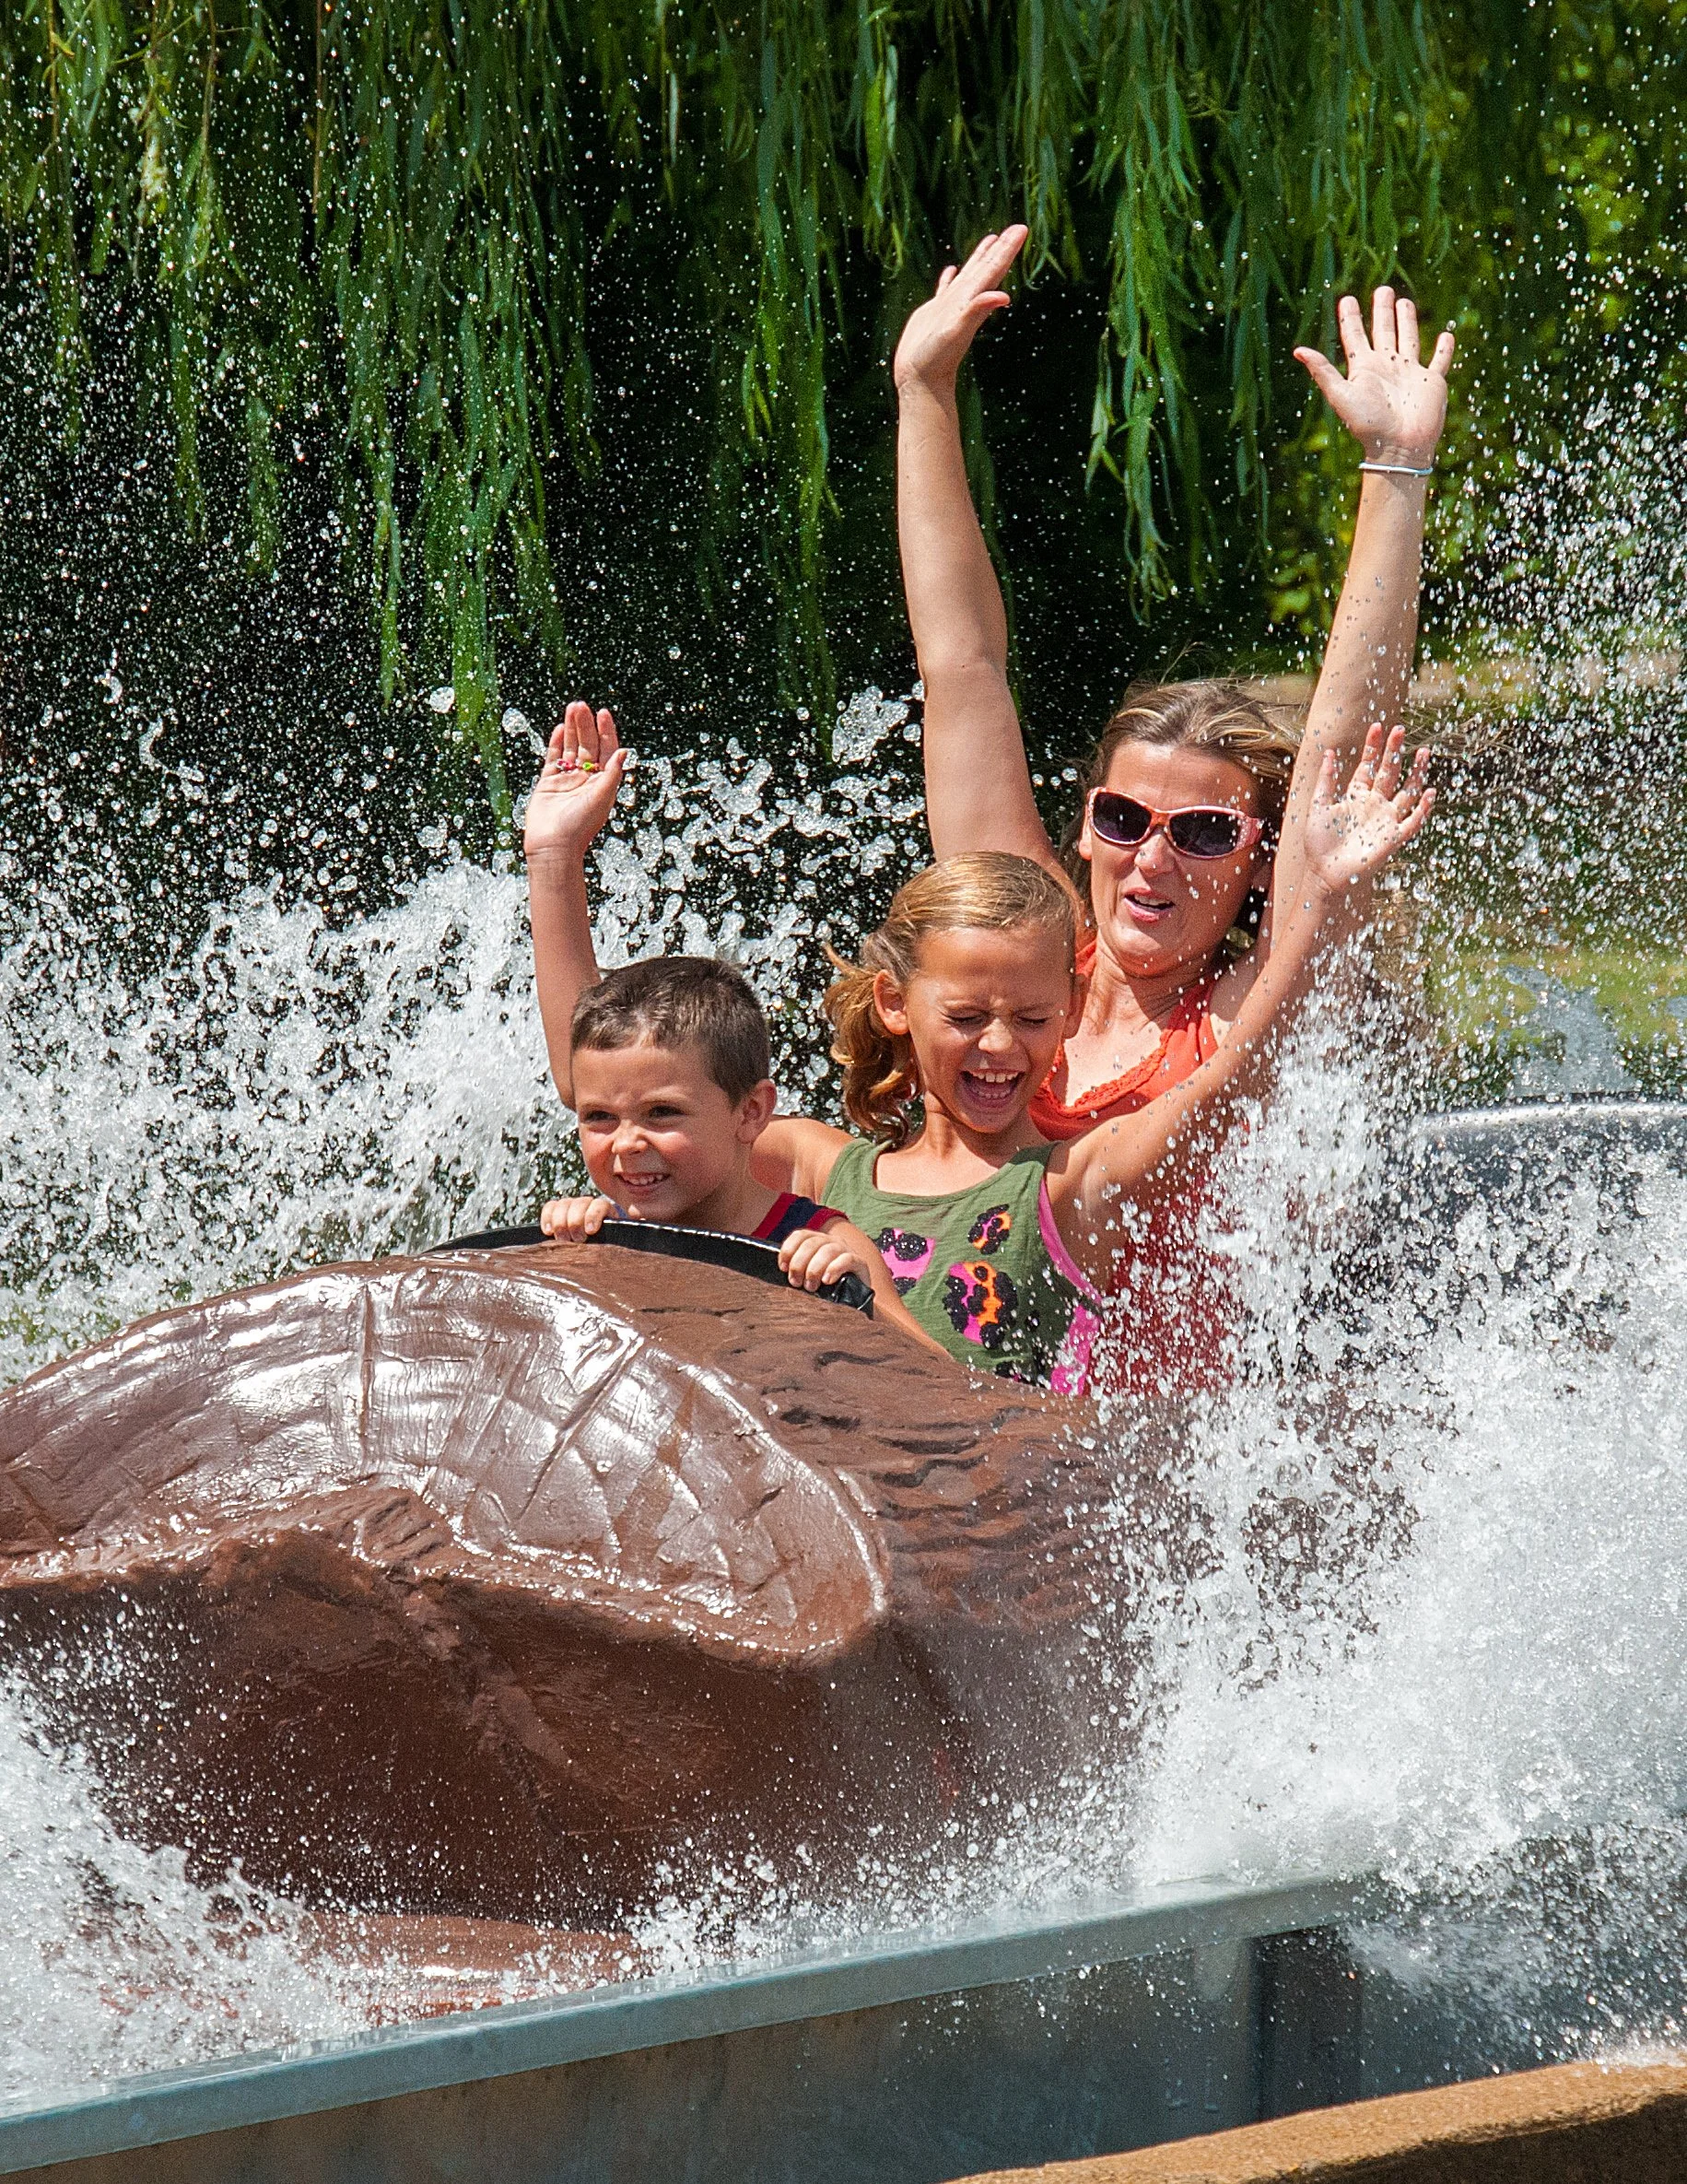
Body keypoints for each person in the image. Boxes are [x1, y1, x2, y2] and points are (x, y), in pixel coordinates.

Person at [526, 704, 1434, 1394]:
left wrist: (1322, 897)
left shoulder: (1069, 1190)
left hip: (969, 1553)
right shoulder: (811, 1166)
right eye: (965, 1018)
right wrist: (554, 861)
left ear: (1068, 1014)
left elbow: (1241, 1078)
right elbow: (605, 1087)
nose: (1000, 1046)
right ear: (895, 1006)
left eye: (1033, 1021)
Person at [892, 225, 1456, 1135]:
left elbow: (1336, 750)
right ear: (1085, 826)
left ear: (1262, 861)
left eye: (1201, 833)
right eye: (1122, 819)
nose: (1149, 860)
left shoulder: (1252, 1008)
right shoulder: (1021, 966)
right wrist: (923, 393)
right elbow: (961, 669)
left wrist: (1394, 469)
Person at [523, 717, 944, 1351]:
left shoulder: (818, 1245)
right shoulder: (599, 1238)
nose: (627, 1144)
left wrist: (857, 1299)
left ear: (751, 1112)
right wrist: (565, 1257)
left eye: (663, 1112)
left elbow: (944, 1384)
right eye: (599, 1118)